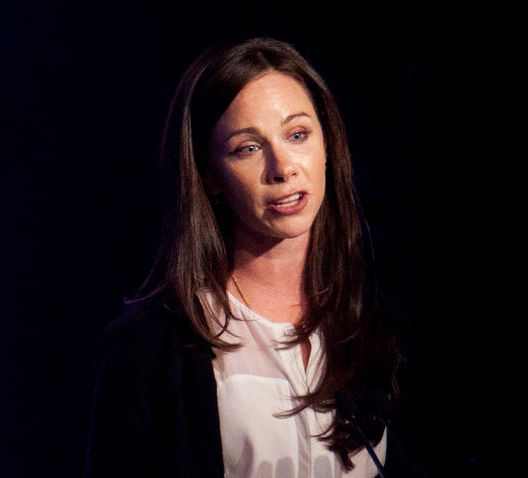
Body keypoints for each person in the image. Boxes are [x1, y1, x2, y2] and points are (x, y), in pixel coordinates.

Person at [83, 36, 405, 478]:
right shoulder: (149, 348)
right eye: (248, 148)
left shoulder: (374, 324)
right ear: (212, 175)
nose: (282, 167)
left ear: (328, 145)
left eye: (297, 135)